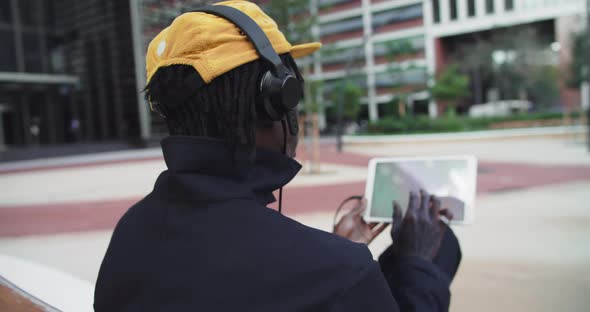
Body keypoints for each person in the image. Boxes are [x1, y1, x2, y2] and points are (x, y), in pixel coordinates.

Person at [94, 1, 457, 311]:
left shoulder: (131, 232)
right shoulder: (339, 272)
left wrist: (335, 253)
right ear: (275, 101)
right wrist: (416, 263)